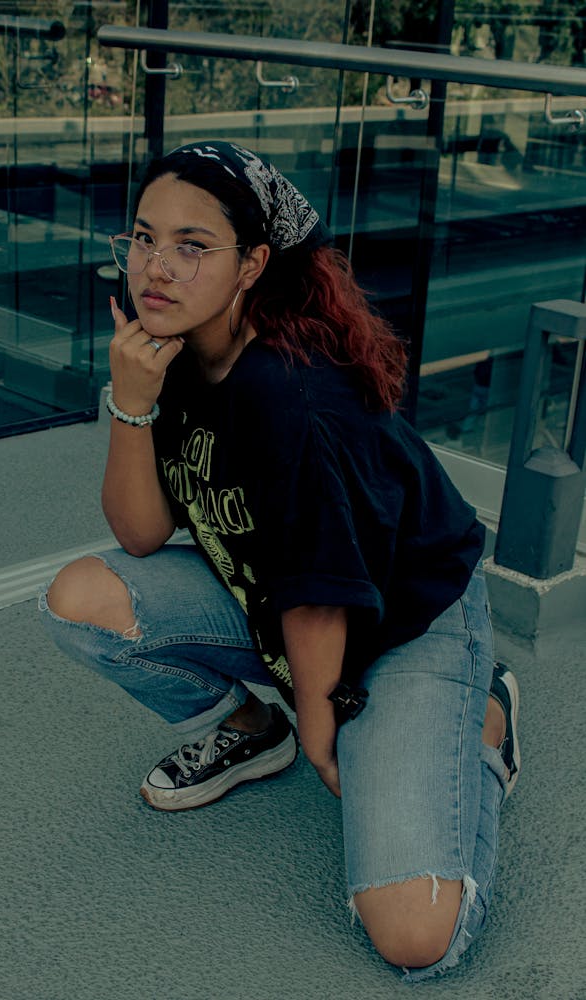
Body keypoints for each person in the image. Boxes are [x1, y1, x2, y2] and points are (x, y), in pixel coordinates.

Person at [39, 141, 521, 981]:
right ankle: (249, 729)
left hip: (406, 620)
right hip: (274, 595)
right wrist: (132, 405)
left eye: (194, 246)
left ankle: (483, 721)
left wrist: (328, 732)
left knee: (414, 937)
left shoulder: (291, 397)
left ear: (253, 263)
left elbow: (319, 601)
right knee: (82, 599)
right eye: (145, 238)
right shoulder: (174, 350)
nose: (157, 267)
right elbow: (143, 534)